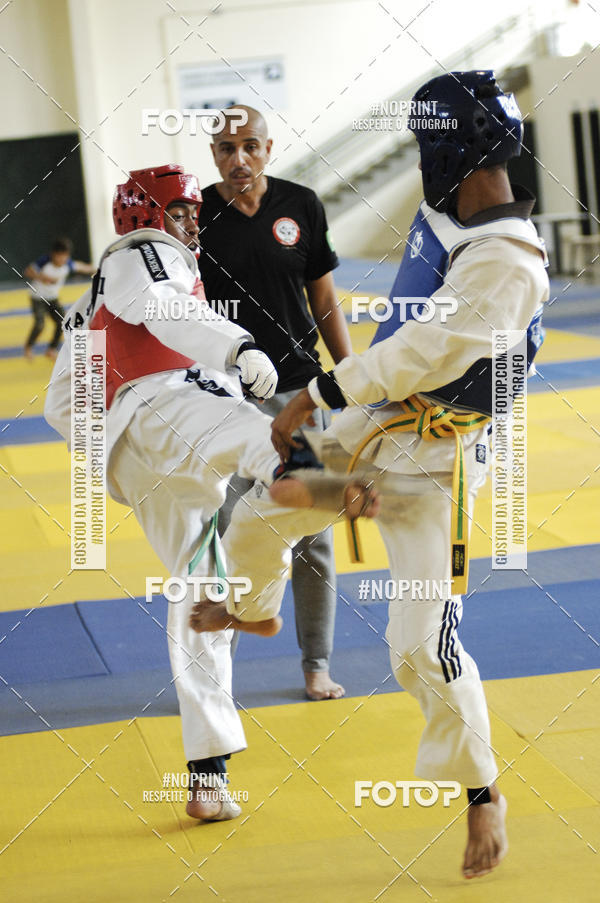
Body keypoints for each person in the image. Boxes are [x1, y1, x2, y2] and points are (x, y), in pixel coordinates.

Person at [254, 71, 549, 878]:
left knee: (418, 645)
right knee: (269, 496)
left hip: (438, 460)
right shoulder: (449, 213)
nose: (421, 162)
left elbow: (420, 352)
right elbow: (402, 344)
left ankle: (482, 792)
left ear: (450, 151)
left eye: (426, 146)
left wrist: (317, 392)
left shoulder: (510, 264)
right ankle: (247, 598)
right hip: (378, 422)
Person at [43, 164, 377, 823]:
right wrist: (239, 347)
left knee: (201, 597)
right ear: (143, 215)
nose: (191, 223)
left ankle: (208, 774)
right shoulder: (144, 252)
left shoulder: (89, 302)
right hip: (165, 407)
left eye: (194, 211)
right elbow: (171, 311)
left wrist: (104, 449)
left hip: (139, 455)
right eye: (178, 210)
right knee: (259, 437)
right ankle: (311, 481)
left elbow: (61, 401)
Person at [198, 105, 352, 700]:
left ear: (268, 148)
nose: (239, 158)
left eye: (250, 146)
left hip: (303, 392)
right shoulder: (197, 217)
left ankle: (316, 663)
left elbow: (324, 299)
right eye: (226, 148)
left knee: (313, 531)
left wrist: (352, 378)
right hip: (230, 400)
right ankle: (220, 668)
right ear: (214, 155)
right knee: (229, 530)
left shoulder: (301, 205)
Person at [23, 237, 95, 360]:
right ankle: (28, 347)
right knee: (40, 324)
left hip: (53, 298)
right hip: (38, 297)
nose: (62, 259)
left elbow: (82, 267)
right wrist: (43, 278)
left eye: (65, 256)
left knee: (63, 322)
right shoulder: (45, 261)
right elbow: (28, 271)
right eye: (59, 256)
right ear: (53, 254)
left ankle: (51, 349)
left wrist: (97, 268)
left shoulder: (68, 264)